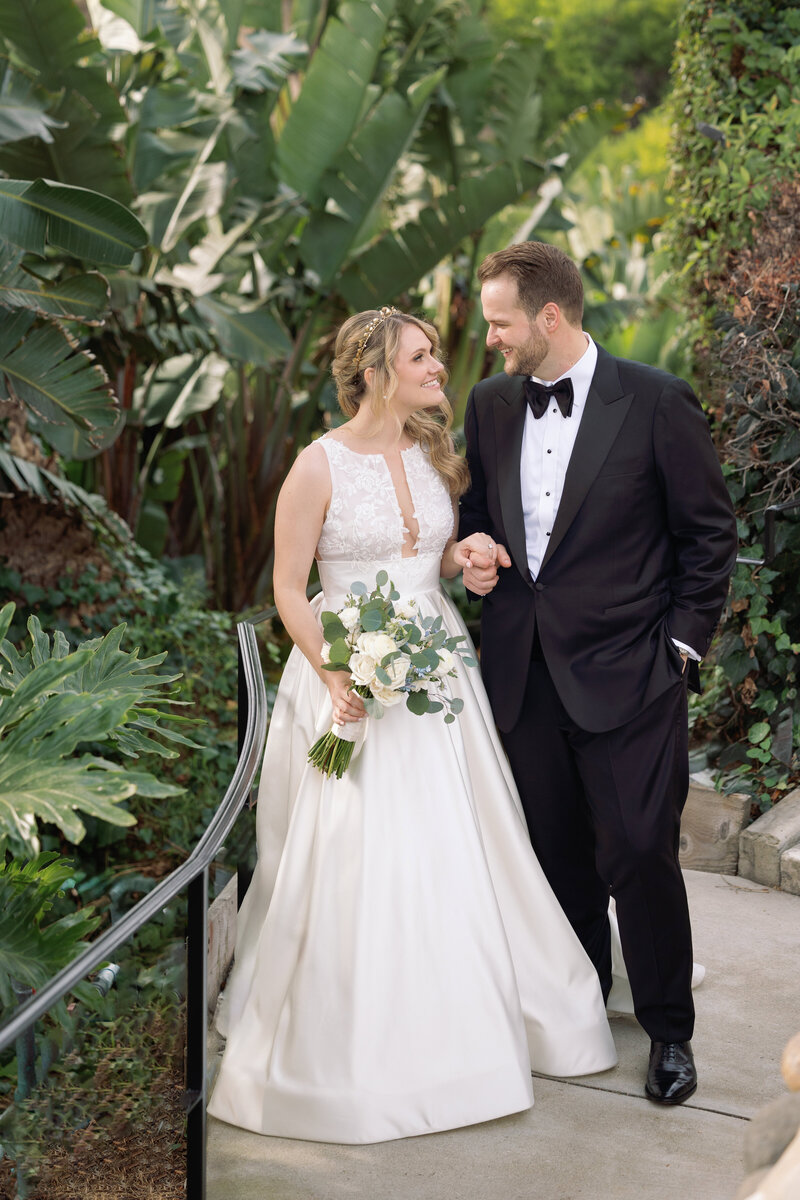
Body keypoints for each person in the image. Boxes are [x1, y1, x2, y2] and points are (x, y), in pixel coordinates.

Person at [208, 306, 617, 1145]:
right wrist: (333, 673)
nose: (439, 368)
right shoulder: (315, 466)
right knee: (353, 851)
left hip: (436, 670)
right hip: (344, 673)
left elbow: (431, 555)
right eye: (422, 357)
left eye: (434, 354)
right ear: (374, 372)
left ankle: (480, 1011)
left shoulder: (438, 455)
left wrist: (463, 559)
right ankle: (360, 1041)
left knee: (460, 840)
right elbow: (289, 588)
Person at [459, 242, 739, 1106]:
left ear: (550, 316)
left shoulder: (655, 401)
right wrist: (472, 553)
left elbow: (709, 535)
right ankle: (581, 1006)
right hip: (524, 674)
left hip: (632, 674)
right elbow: (477, 517)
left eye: (502, 323)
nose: (492, 340)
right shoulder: (491, 404)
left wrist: (681, 648)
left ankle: (668, 1033)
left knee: (640, 853)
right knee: (556, 855)